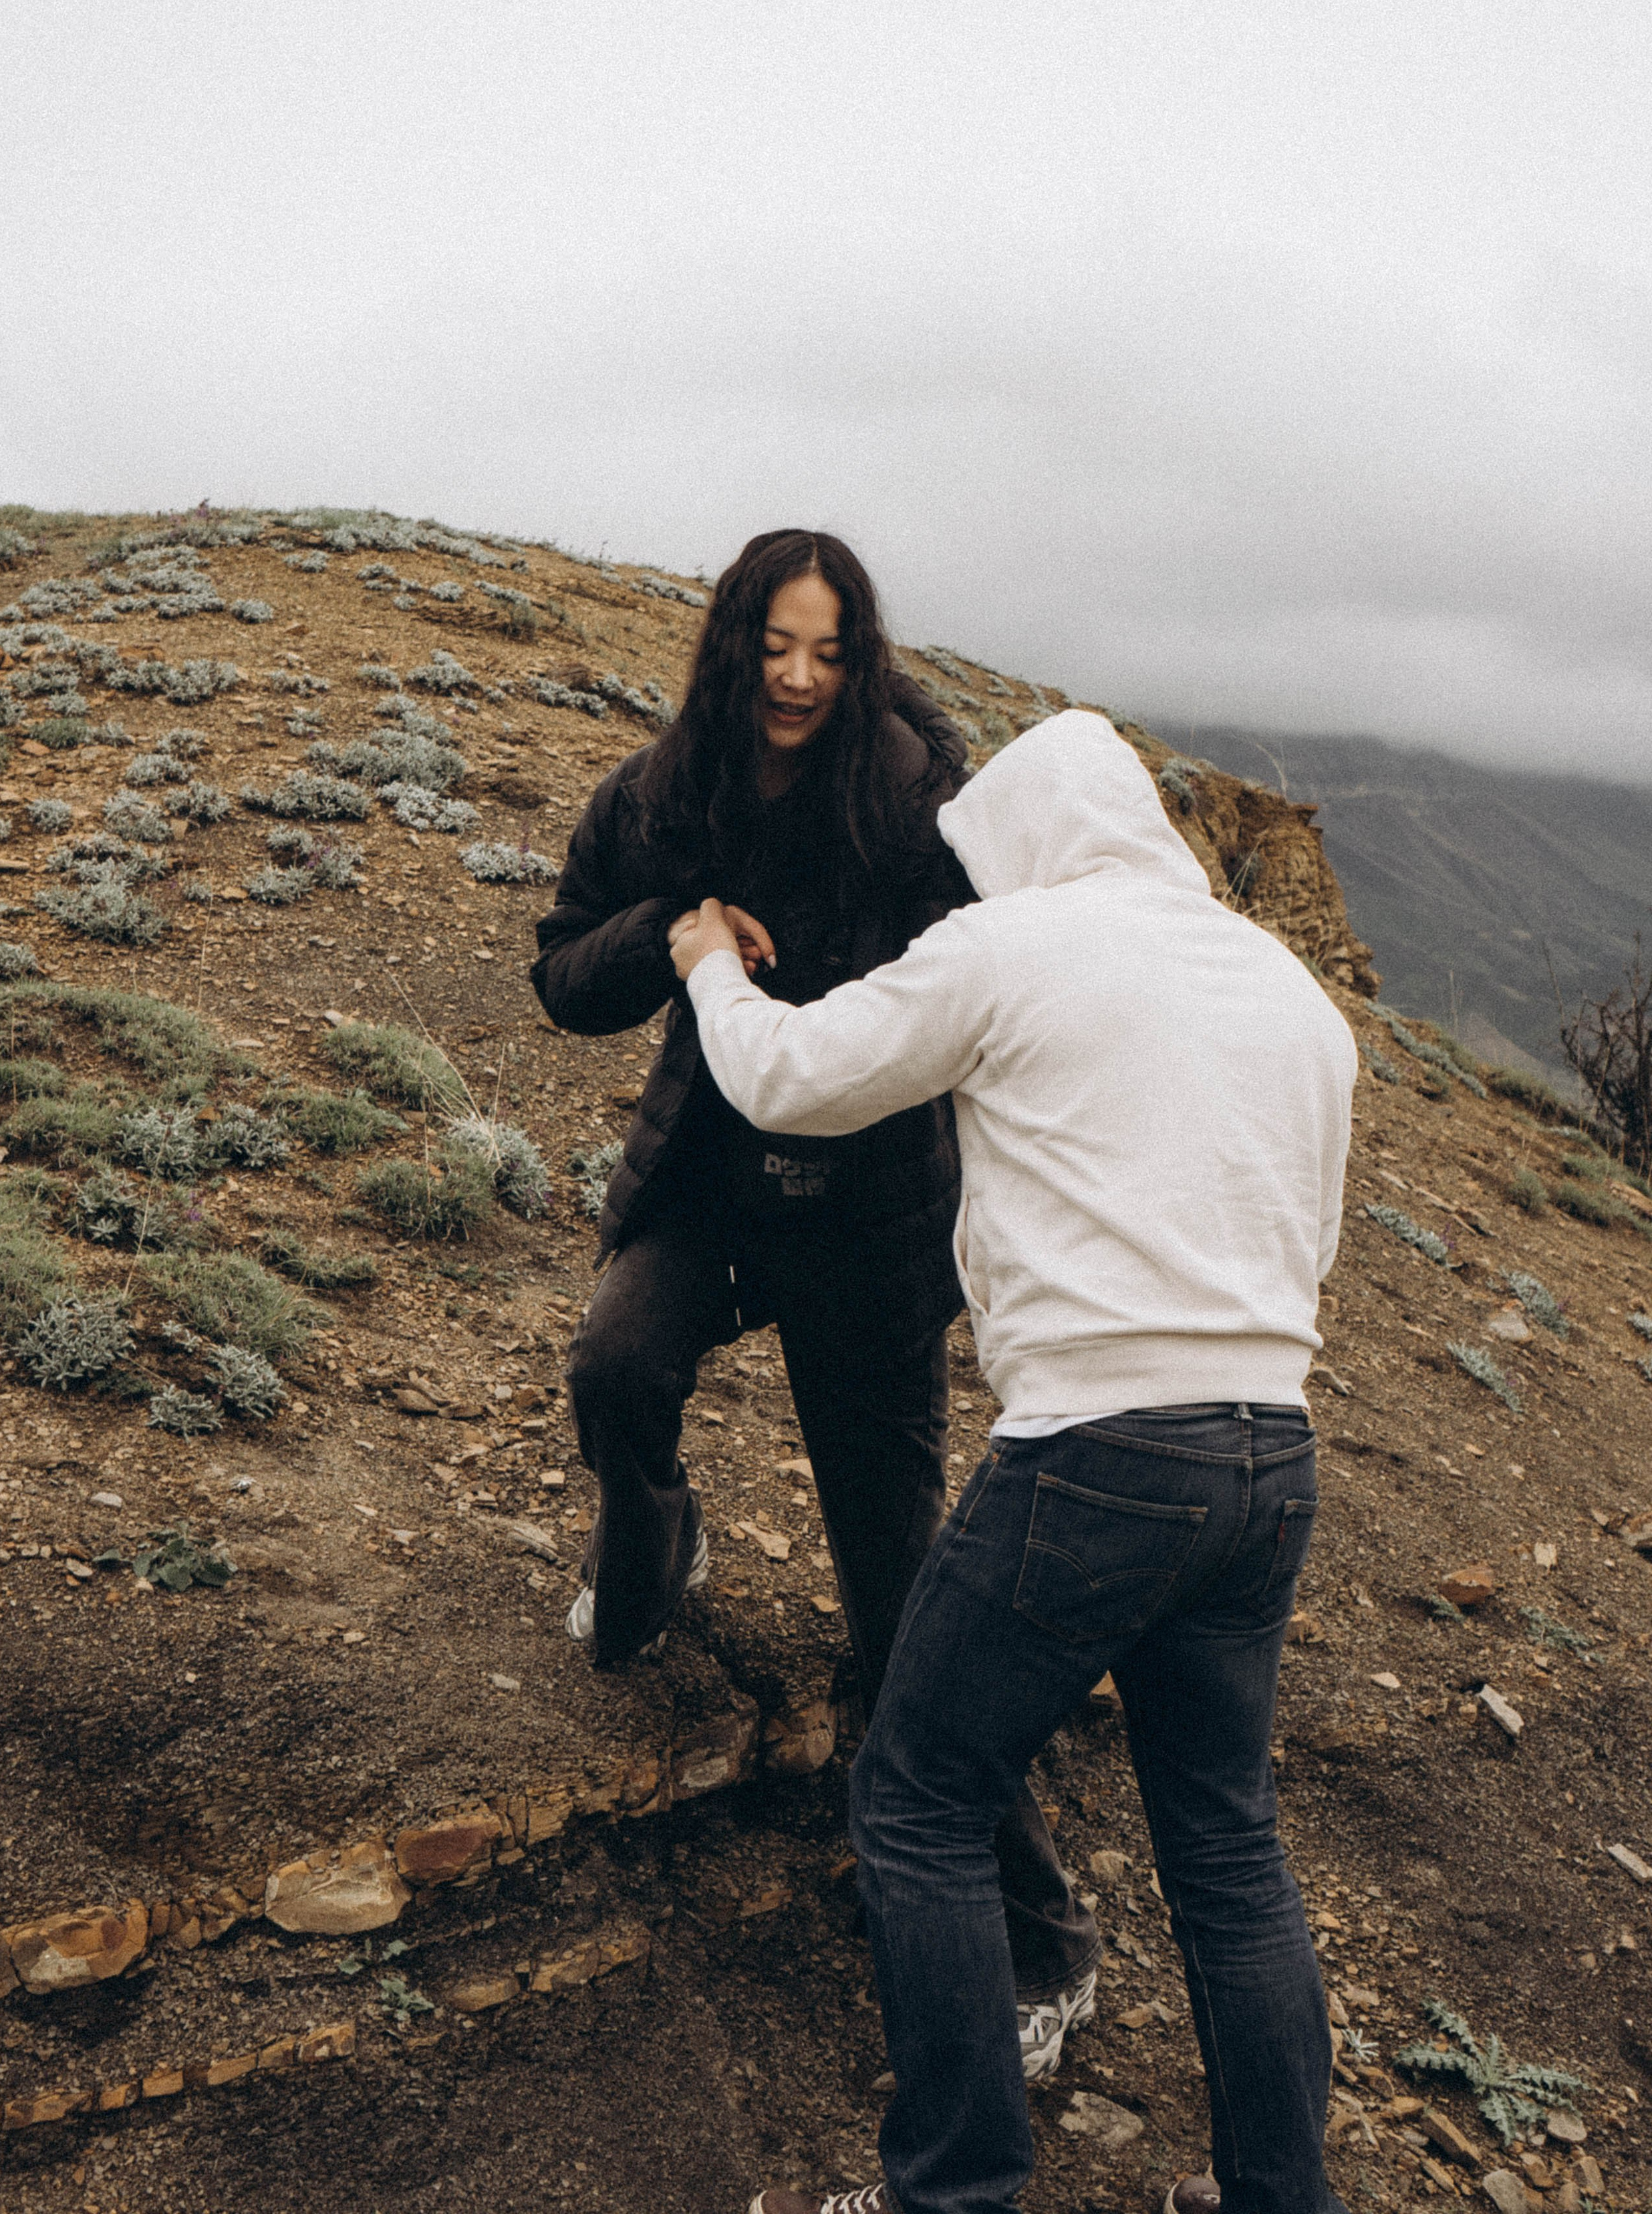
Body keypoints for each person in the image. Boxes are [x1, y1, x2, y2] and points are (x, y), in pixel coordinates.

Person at [669, 709, 1357, 2214]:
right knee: (1227, 1849)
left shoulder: (1014, 947)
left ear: (1024, 840)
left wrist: (709, 964)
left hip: (1095, 1455)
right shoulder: (1294, 995)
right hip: (1270, 1455)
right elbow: (1304, 1247)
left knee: (918, 1795)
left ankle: (953, 2190)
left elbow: (789, 1077)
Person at [530, 531, 1098, 2076]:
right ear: (731, 644)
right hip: (709, 1187)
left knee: (898, 1599)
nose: (795, 678)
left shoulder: (915, 801)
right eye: (773, 646)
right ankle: (654, 1543)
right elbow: (560, 972)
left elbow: (1002, 974)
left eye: (827, 652)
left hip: (869, 1227)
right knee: (615, 1366)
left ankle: (1042, 1942)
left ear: (862, 660)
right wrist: (670, 935)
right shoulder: (661, 792)